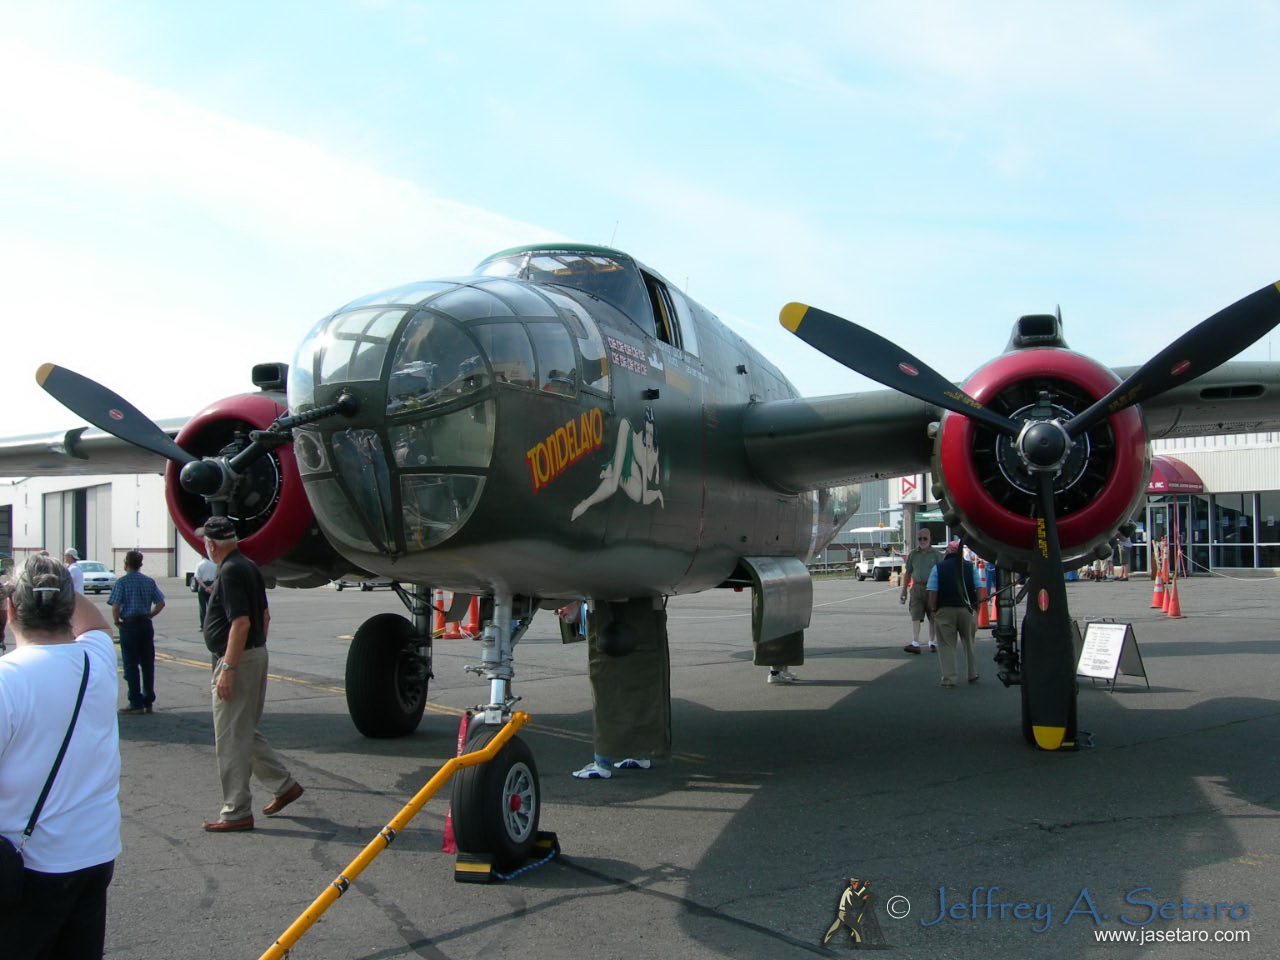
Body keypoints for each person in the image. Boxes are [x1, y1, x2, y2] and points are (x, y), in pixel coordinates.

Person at [0, 555, 120, 958]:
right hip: (95, 855)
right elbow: (96, 624)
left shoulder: (7, 679)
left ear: (10, 608)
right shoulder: (96, 659)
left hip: (29, 867)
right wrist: (58, 582)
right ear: (68, 606)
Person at [198, 516, 302, 831]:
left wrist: (229, 667)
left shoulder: (229, 571)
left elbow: (241, 622)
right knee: (242, 730)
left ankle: (236, 811)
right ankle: (284, 786)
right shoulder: (249, 566)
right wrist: (256, 650)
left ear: (211, 544)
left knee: (230, 738)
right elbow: (264, 616)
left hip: (238, 659)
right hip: (253, 654)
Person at [107, 550, 165, 716]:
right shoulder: (149, 581)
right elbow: (160, 603)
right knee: (147, 663)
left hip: (129, 624)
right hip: (145, 624)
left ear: (126, 564)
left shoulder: (122, 582)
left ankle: (135, 701)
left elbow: (115, 606)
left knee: (131, 664)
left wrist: (117, 621)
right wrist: (150, 615)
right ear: (140, 564)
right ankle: (148, 701)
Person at [927, 541, 980, 688]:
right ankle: (972, 673)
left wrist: (933, 608)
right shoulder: (970, 567)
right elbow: (979, 587)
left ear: (947, 552)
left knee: (946, 645)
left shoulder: (938, 568)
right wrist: (977, 608)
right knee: (969, 642)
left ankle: (949, 678)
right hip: (966, 609)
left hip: (945, 609)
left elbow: (932, 590)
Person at [900, 529, 939, 654]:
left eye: (925, 538)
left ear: (930, 539)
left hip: (933, 589)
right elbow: (908, 572)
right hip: (917, 588)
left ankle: (932, 642)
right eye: (920, 539)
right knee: (915, 614)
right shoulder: (913, 554)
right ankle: (915, 642)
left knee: (933, 615)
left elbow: (942, 573)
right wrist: (904, 590)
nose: (922, 541)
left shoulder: (937, 555)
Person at [194, 550, 217, 628]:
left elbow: (197, 578)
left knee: (202, 607)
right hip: (212, 585)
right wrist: (211, 587)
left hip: (203, 586)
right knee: (212, 607)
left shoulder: (200, 564)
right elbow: (217, 577)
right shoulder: (215, 564)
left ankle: (203, 625)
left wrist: (205, 587)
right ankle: (212, 624)